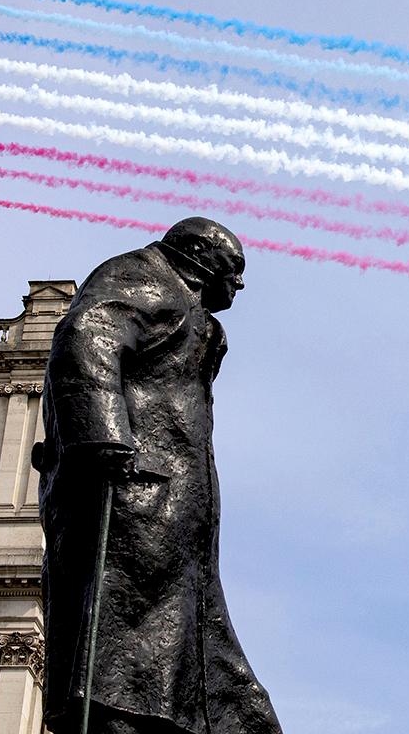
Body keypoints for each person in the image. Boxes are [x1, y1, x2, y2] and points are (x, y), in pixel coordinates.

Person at [35, 218, 282, 734]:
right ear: (197, 256)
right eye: (232, 270)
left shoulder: (189, 309)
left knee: (178, 636)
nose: (237, 286)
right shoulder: (144, 277)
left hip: (167, 503)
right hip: (130, 491)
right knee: (124, 637)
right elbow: (87, 335)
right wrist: (101, 437)